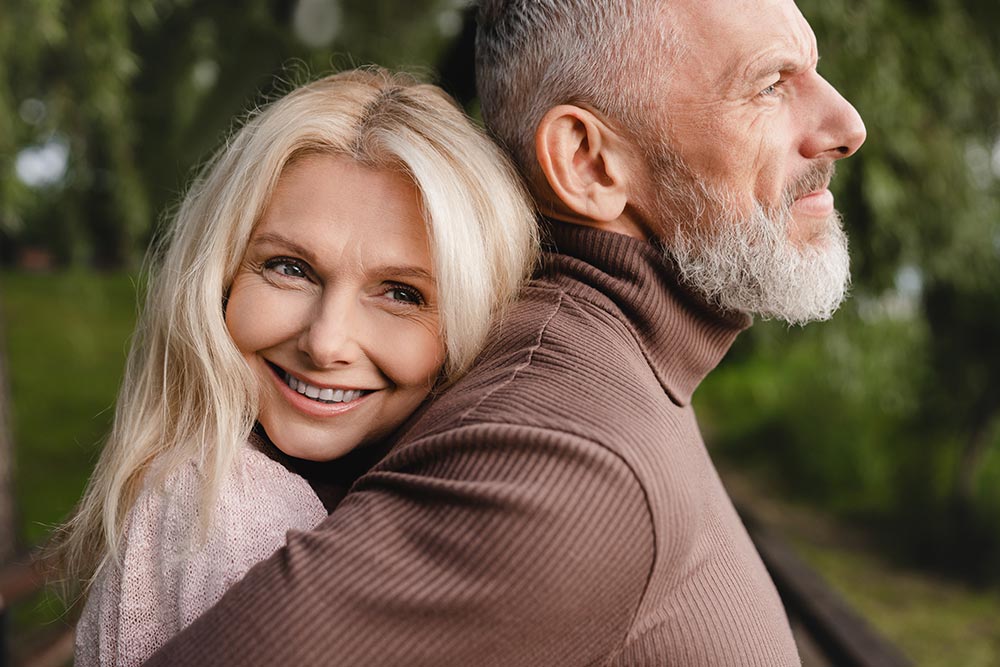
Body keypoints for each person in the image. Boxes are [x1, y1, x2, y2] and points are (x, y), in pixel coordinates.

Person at [142, 0, 866, 665]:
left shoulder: (621, 371)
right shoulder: (568, 455)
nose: (846, 124)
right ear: (585, 162)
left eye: (814, 70)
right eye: (771, 84)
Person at [51, 68, 538, 666]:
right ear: (221, 274)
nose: (326, 342)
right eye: (289, 268)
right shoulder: (241, 515)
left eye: (401, 293)